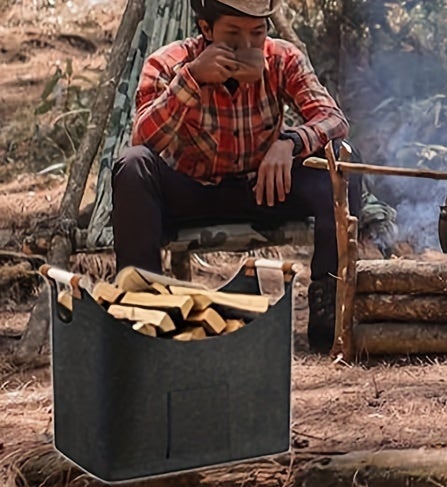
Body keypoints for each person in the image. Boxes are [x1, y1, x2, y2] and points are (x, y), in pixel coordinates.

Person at [111, 0, 352, 350]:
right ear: (206, 30)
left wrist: (290, 142)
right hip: (192, 191)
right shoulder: (169, 62)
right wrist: (192, 79)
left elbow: (333, 119)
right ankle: (144, 315)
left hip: (263, 190)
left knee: (341, 162)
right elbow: (142, 139)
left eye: (257, 33)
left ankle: (329, 310)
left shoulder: (282, 58)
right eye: (233, 34)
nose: (247, 45)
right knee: (133, 166)